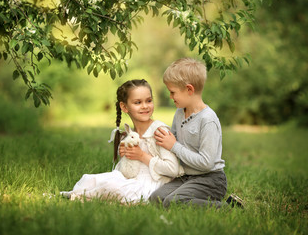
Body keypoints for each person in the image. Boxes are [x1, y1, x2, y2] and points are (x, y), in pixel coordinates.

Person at [60, 79, 182, 204]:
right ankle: (84, 196)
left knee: (112, 188)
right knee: (89, 179)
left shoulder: (159, 132)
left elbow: (173, 169)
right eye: (138, 102)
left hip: (152, 184)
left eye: (149, 101)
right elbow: (126, 173)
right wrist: (124, 157)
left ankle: (87, 198)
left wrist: (141, 156)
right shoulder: (130, 135)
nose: (145, 106)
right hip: (131, 180)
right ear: (124, 107)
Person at [150, 57, 242, 208]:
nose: (170, 97)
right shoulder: (180, 113)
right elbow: (171, 140)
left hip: (210, 180)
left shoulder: (208, 120)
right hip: (187, 177)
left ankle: (229, 207)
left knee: (172, 203)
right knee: (156, 198)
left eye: (173, 92)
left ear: (189, 90)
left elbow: (206, 163)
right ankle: (197, 201)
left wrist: (173, 146)